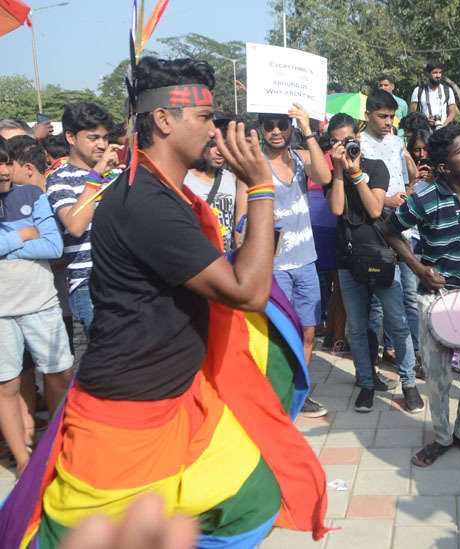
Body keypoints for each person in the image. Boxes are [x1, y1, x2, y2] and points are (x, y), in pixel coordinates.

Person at [0, 56, 330, 547]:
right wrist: (259, 186)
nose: (215, 132)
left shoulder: (160, 190)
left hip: (172, 403)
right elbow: (248, 291)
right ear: (163, 120)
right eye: (204, 118)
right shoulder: (147, 202)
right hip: (123, 421)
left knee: (249, 492)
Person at [380, 122, 460, 467]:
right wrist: (418, 267)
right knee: (437, 378)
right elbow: (389, 229)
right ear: (443, 166)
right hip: (433, 297)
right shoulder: (423, 197)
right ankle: (441, 438)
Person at [323, 113, 424, 413]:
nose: (344, 147)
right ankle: (366, 383)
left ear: (360, 139)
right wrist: (340, 172)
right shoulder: (332, 175)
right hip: (347, 258)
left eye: (349, 140)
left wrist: (355, 173)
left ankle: (408, 384)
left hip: (381, 254)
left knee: (397, 321)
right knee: (357, 326)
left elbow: (374, 207)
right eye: (337, 142)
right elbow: (338, 208)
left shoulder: (376, 168)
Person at [1, 138, 72, 476]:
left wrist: (6, 247)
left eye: (6, 162)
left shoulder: (30, 195)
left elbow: (53, 246)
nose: (3, 170)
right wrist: (21, 237)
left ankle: (62, 446)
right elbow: (35, 239)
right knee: (7, 386)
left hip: (41, 303)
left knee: (59, 374)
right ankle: (24, 459)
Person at [258, 104, 332, 419]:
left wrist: (307, 128)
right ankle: (276, 395)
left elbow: (326, 175)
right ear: (260, 129)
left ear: (290, 128)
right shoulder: (256, 165)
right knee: (278, 335)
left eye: (281, 125)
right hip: (274, 266)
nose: (275, 130)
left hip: (305, 262)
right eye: (268, 125)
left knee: (308, 332)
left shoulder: (302, 160)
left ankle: (297, 390)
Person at [46, 102, 120, 339]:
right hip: (90, 284)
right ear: (70, 137)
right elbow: (75, 226)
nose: (102, 144)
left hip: (125, 278)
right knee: (108, 362)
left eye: (105, 137)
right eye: (93, 137)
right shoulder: (60, 178)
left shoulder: (116, 173)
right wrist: (96, 175)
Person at [360, 90, 421, 371]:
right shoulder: (358, 144)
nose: (388, 122)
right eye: (382, 116)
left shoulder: (397, 142)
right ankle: (373, 362)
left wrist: (405, 196)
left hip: (404, 226)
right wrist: (384, 200)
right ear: (367, 116)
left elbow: (405, 179)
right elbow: (356, 187)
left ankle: (414, 355)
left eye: (392, 116)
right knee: (377, 300)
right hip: (374, 227)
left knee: (409, 294)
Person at [183, 140, 243, 252]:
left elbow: (239, 219)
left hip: (225, 257)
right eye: (212, 146)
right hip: (196, 254)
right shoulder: (184, 179)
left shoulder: (233, 179)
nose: (219, 151)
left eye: (224, 145)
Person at [410, 62, 457, 128]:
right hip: (425, 131)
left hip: (443, 130)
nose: (438, 76)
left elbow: (453, 112)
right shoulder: (418, 91)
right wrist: (424, 122)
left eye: (440, 72)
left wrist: (445, 124)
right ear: (428, 74)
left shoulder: (448, 90)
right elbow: (412, 114)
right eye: (435, 73)